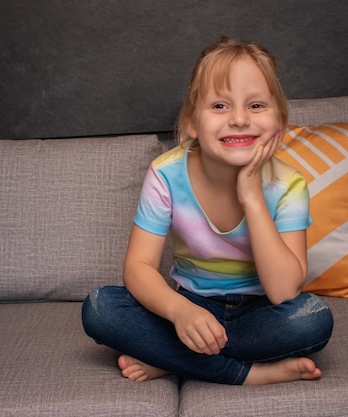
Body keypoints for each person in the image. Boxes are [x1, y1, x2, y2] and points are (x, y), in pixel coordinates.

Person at [82, 36, 333, 385]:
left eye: (257, 105)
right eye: (220, 106)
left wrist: (252, 196)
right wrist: (180, 311)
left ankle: (172, 359)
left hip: (260, 312)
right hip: (190, 304)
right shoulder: (166, 173)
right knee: (100, 308)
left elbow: (284, 292)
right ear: (192, 124)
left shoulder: (288, 185)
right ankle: (248, 373)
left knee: (313, 320)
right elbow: (138, 268)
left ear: (280, 121)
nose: (240, 119)